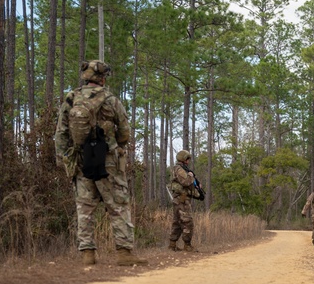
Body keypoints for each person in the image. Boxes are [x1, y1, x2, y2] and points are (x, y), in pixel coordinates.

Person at [55, 60, 147, 266]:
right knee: (118, 204)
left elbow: (60, 133)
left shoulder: (71, 99)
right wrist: (117, 144)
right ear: (102, 78)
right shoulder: (111, 100)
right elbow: (124, 131)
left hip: (81, 160)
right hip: (108, 160)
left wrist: (65, 159)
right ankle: (124, 253)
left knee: (85, 207)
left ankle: (88, 253)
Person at [168, 150, 203, 251]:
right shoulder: (179, 169)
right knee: (187, 221)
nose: (188, 161)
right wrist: (191, 177)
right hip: (181, 199)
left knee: (177, 222)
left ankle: (172, 245)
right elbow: (186, 182)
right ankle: (187, 245)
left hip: (179, 198)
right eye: (187, 159)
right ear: (183, 159)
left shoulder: (180, 168)